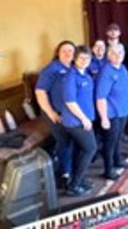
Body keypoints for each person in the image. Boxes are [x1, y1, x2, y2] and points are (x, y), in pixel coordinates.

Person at [35, 41, 75, 189]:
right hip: (54, 113)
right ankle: (64, 175)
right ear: (57, 52)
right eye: (64, 50)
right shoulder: (51, 69)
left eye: (71, 50)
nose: (68, 53)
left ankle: (66, 166)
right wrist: (51, 112)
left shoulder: (73, 67)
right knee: (64, 141)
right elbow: (40, 92)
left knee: (69, 141)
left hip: (69, 113)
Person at [61, 46, 97, 196]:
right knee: (90, 148)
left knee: (80, 151)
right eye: (81, 58)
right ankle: (73, 186)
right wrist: (83, 119)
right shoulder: (70, 76)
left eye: (87, 58)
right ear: (75, 58)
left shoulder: (86, 74)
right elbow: (70, 102)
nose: (84, 61)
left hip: (85, 119)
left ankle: (78, 179)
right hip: (76, 122)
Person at [95, 44, 128, 177]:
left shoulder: (122, 68)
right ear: (109, 55)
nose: (118, 56)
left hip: (123, 111)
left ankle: (118, 160)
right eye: (115, 53)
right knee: (110, 143)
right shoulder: (106, 72)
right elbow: (100, 97)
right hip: (112, 114)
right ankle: (108, 169)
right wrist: (104, 117)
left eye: (120, 53)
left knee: (118, 139)